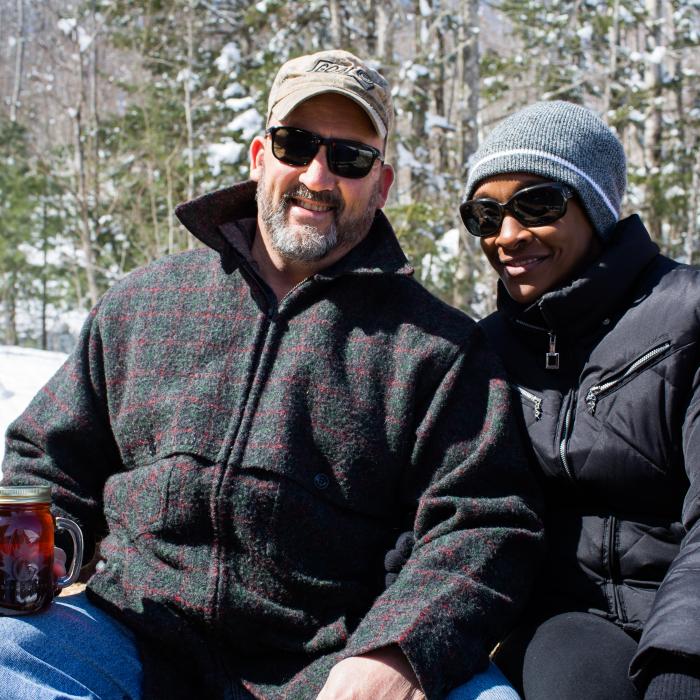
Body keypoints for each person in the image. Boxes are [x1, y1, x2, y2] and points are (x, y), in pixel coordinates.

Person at [0, 50, 543, 700]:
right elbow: (47, 464)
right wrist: (49, 543)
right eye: (296, 144)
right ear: (260, 155)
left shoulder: (436, 349)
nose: (317, 175)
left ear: (382, 183)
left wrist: (399, 650)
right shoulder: (145, 303)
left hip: (332, 659)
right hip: (133, 634)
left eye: (350, 159)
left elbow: (484, 523)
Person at [459, 101, 700, 699]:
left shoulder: (688, 316)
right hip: (571, 625)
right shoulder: (486, 349)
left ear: (594, 207)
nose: (508, 236)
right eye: (486, 215)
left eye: (537, 204)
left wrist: (681, 665)